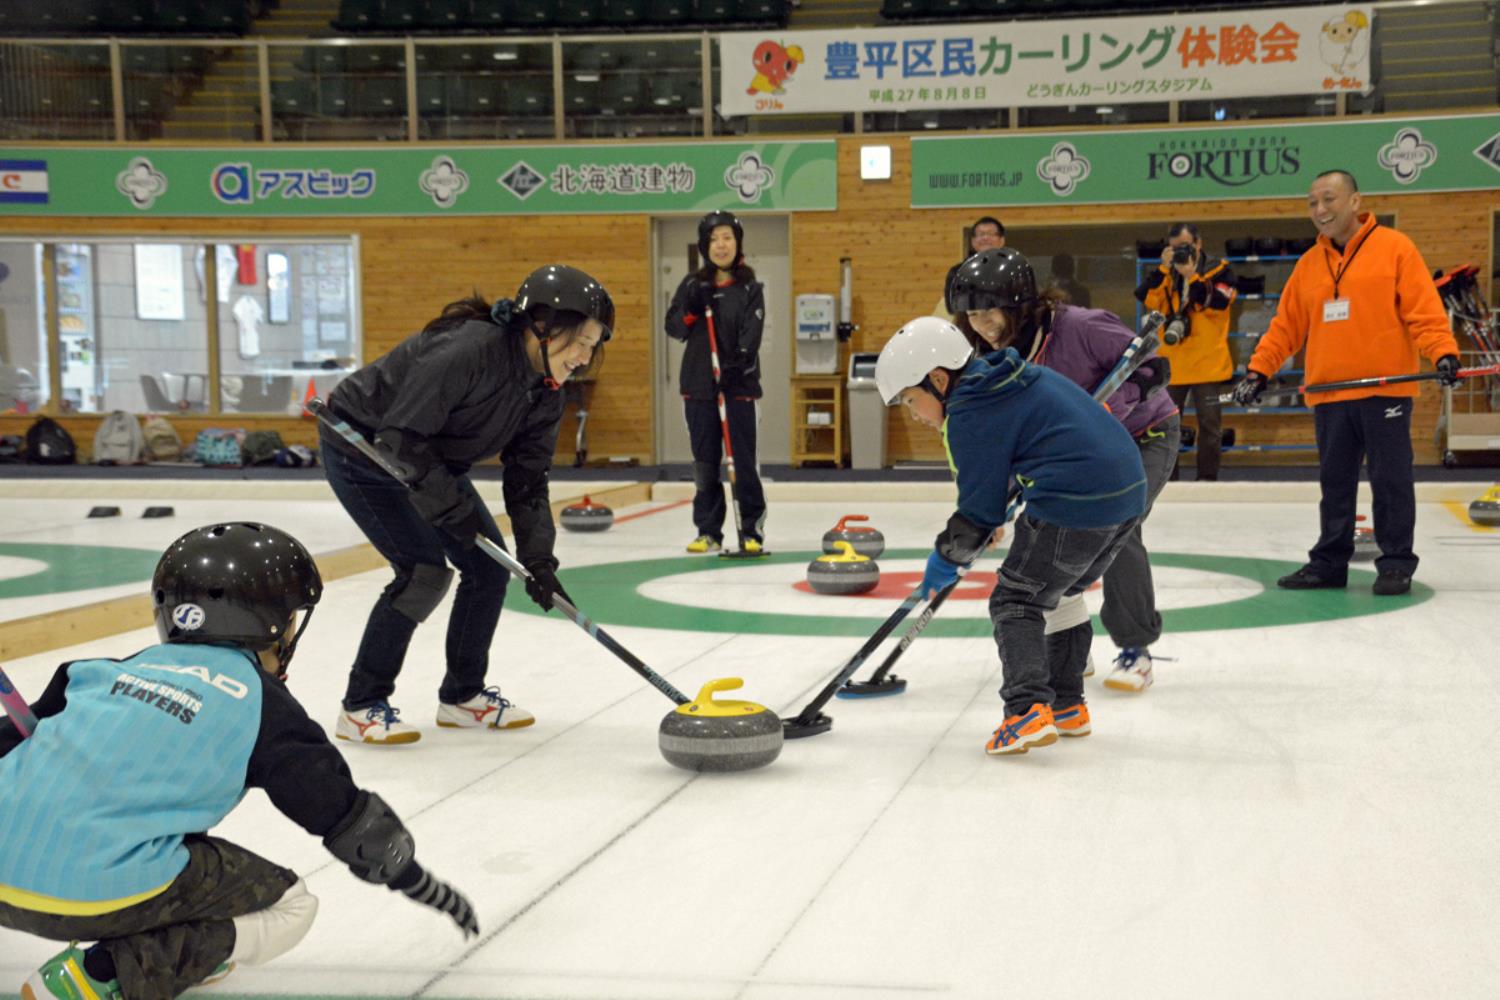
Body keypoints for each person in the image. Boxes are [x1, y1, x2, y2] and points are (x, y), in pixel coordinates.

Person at [0, 522, 478, 1000]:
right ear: (270, 623)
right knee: (291, 907)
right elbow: (346, 819)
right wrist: (416, 881)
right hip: (94, 895)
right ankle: (101, 974)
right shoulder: (262, 705)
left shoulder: (92, 674)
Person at [320, 264, 613, 743]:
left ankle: (462, 695)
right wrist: (446, 510)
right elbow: (401, 439)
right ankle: (362, 705)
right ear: (542, 324)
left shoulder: (546, 393)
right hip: (364, 448)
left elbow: (527, 482)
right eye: (580, 340)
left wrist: (539, 560)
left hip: (427, 456)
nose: (584, 356)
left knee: (488, 568)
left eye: (593, 346)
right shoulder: (468, 351)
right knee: (423, 571)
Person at [875, 317, 1147, 755]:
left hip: (1075, 500)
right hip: (1127, 497)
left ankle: (1025, 712)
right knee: (1057, 596)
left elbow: (977, 515)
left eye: (910, 400)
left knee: (1015, 600)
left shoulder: (968, 411)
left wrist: (944, 559)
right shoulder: (1012, 379)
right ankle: (1067, 706)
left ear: (939, 379)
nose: (914, 415)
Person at [949, 247, 1178, 692]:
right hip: (1079, 451)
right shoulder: (999, 358)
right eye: (972, 316)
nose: (983, 325)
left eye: (990, 312)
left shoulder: (1080, 327)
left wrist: (1107, 410)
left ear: (1018, 304)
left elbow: (1152, 369)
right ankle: (1068, 639)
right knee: (1054, 530)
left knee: (1118, 529)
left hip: (1143, 435)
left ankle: (1136, 648)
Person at [1232, 169, 1459, 596]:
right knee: (1334, 483)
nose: (1320, 209)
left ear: (1356, 202)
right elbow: (1286, 327)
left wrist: (1443, 352)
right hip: (1330, 394)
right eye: (1312, 202)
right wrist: (1258, 371)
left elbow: (1424, 312)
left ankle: (1395, 563)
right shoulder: (1308, 265)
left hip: (1384, 391)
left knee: (1391, 480)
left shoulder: (1396, 249)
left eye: (1329, 199)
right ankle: (1329, 563)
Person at [665, 210, 767, 555]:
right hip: (699, 387)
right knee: (705, 463)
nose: (720, 245)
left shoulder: (750, 288)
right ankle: (708, 530)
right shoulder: (693, 285)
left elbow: (751, 335)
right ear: (704, 245)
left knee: (742, 460)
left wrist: (738, 364)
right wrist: (693, 308)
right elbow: (675, 327)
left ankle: (751, 528)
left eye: (727, 237)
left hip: (738, 388)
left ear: (737, 242)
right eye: (713, 239)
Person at [1134, 222, 1236, 481]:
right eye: (1175, 248)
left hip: (1208, 364)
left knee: (1210, 427)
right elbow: (1144, 295)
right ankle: (1169, 482)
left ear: (1199, 244)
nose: (1180, 253)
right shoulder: (1166, 273)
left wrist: (1192, 275)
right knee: (1166, 427)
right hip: (1172, 364)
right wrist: (1162, 268)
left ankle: (1208, 479)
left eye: (1185, 247)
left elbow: (1221, 301)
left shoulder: (1219, 270)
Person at [935, 215, 1005, 319]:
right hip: (969, 328)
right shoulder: (957, 271)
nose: (985, 238)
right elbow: (952, 306)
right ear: (973, 241)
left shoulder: (1016, 269)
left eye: (990, 234)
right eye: (981, 234)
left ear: (1001, 240)